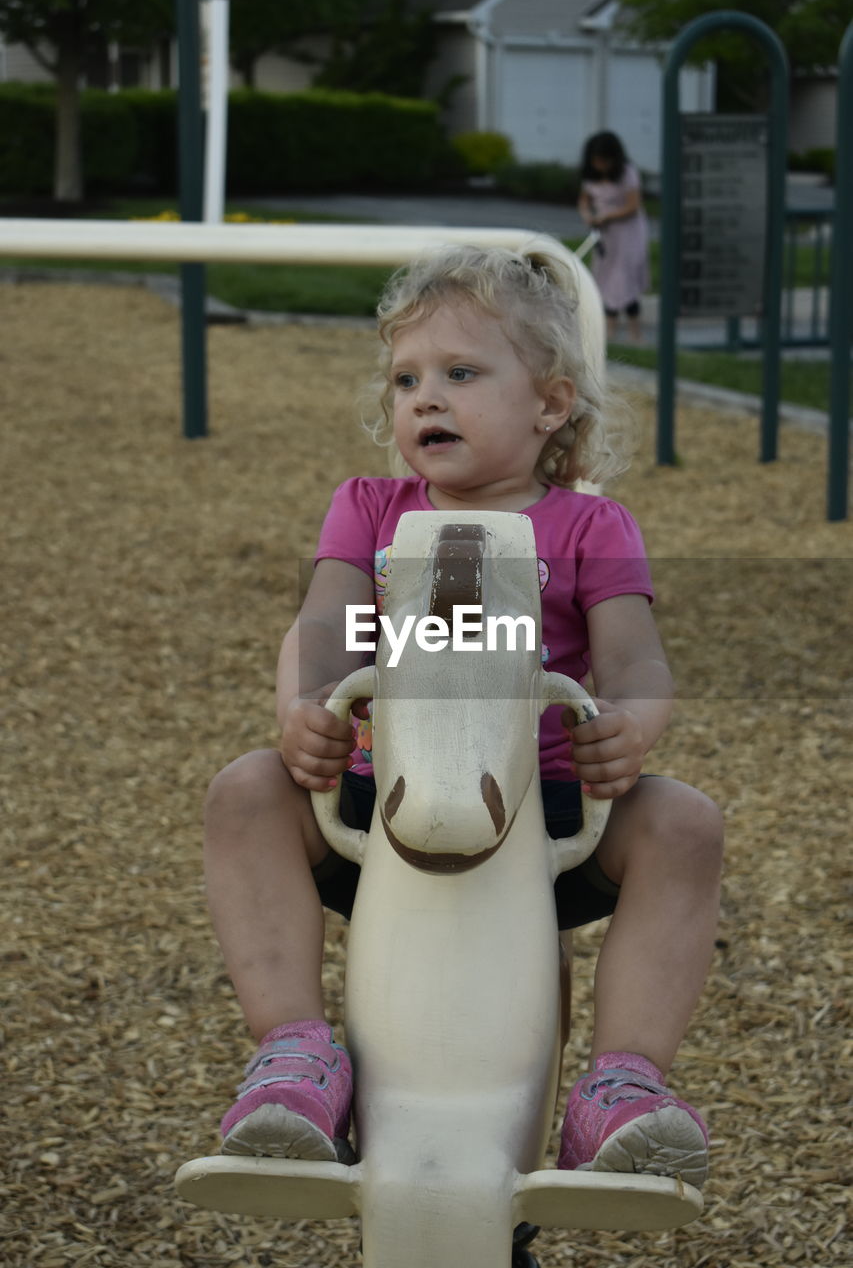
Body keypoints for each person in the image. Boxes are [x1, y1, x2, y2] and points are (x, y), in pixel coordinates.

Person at [203, 235, 723, 1188]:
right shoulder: (367, 509)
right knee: (244, 792)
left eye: (461, 372)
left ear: (551, 402)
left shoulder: (588, 526)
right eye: (405, 379)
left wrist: (629, 725)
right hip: (377, 805)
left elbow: (634, 658)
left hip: (553, 821)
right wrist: (304, 707)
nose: (424, 397)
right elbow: (323, 627)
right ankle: (294, 1054)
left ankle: (623, 1083)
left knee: (683, 823)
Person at [578, 131, 649, 343]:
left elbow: (633, 205)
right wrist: (588, 215)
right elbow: (584, 201)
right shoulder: (590, 178)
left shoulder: (627, 172)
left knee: (625, 280)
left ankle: (634, 334)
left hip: (628, 235)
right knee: (606, 279)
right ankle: (609, 333)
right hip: (605, 236)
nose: (599, 164)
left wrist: (608, 215)